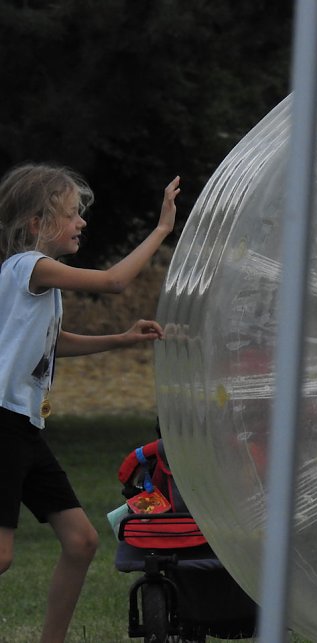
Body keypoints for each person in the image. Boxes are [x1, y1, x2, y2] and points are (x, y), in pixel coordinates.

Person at [0, 163, 179, 643]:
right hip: (3, 423)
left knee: (80, 542)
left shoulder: (35, 282)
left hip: (24, 426)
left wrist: (121, 338)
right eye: (71, 213)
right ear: (37, 223)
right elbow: (115, 282)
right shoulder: (29, 267)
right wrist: (161, 229)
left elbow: (52, 343)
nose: (81, 222)